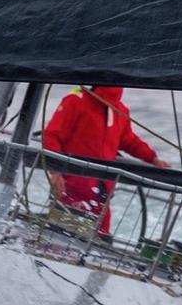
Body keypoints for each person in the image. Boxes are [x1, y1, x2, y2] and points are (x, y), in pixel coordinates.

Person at [41, 85, 158, 235]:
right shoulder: (76, 101)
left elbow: (129, 141)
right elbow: (52, 135)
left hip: (102, 196)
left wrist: (152, 157)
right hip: (71, 190)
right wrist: (55, 171)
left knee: (100, 243)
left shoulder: (120, 111)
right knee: (65, 239)